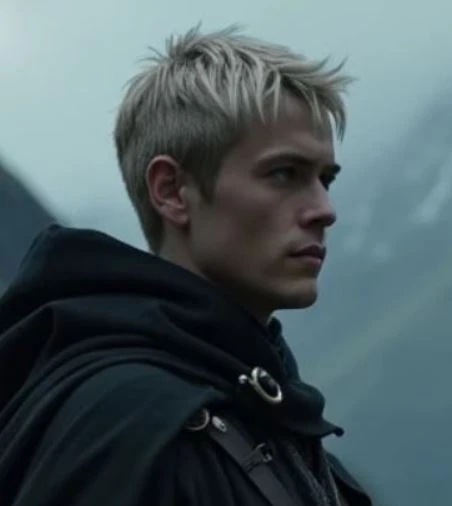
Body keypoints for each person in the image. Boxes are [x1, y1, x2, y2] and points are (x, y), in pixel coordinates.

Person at [0, 25, 372, 506]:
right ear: (172, 191)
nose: (324, 210)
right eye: (285, 174)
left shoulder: (263, 413)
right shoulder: (128, 433)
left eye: (325, 179)